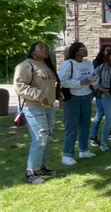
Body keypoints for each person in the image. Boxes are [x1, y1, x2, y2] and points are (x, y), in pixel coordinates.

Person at [14, 42, 61, 184]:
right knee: (40, 138)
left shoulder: (46, 65)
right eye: (41, 47)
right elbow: (20, 86)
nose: (45, 49)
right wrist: (40, 95)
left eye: (46, 47)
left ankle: (40, 167)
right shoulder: (26, 65)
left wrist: (59, 96)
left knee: (46, 138)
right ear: (33, 51)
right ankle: (30, 173)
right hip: (33, 106)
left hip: (49, 107)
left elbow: (52, 85)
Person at [59, 42, 98, 166]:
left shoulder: (88, 63)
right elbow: (62, 81)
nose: (85, 50)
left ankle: (84, 150)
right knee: (71, 126)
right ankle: (67, 155)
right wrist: (79, 83)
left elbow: (94, 76)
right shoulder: (68, 64)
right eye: (82, 49)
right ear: (76, 51)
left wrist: (94, 80)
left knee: (85, 124)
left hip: (86, 96)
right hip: (72, 98)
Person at [90, 44, 111, 147]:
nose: (109, 52)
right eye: (107, 50)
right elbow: (94, 79)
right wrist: (100, 89)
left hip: (110, 92)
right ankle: (93, 137)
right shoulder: (97, 63)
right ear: (103, 51)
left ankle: (108, 132)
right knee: (100, 114)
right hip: (100, 92)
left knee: (110, 113)